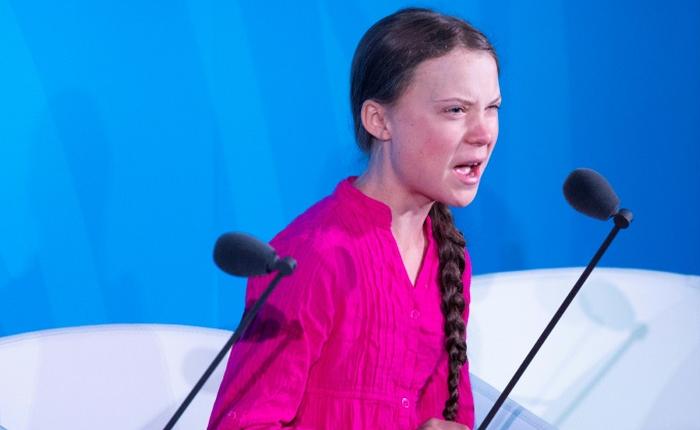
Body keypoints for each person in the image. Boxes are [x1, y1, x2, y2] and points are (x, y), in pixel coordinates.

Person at [208, 7, 500, 430]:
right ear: (379, 120)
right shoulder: (313, 256)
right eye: (455, 110)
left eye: (492, 108)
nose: (483, 132)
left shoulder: (448, 257)